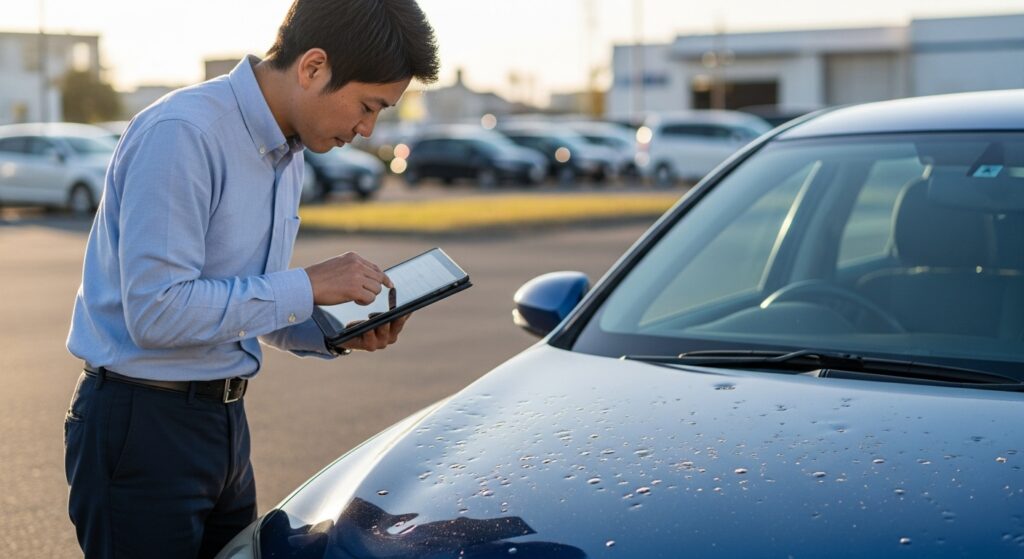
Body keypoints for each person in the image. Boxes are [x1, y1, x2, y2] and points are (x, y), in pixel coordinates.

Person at [62, 1, 439, 557]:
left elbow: (241, 306)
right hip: (142, 427)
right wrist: (307, 285)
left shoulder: (289, 153)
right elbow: (159, 312)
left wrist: (332, 330)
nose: (367, 129)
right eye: (368, 105)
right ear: (313, 67)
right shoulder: (184, 132)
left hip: (225, 425)